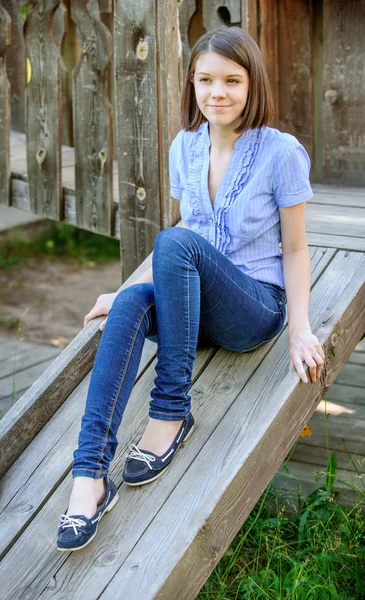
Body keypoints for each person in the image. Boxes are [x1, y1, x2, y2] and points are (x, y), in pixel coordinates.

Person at [56, 25, 325, 552]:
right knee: (134, 298)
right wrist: (128, 290)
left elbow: (295, 249)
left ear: (253, 86)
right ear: (192, 84)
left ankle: (170, 412)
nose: (217, 92)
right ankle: (88, 478)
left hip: (254, 307)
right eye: (205, 80)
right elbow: (188, 231)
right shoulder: (185, 146)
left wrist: (300, 330)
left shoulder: (281, 152)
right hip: (194, 306)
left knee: (174, 242)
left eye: (232, 80)